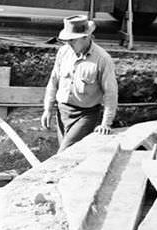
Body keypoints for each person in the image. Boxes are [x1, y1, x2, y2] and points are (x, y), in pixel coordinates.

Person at [41, 15, 118, 152]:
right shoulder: (63, 52)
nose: (68, 44)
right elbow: (53, 82)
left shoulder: (103, 59)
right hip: (62, 112)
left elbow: (110, 93)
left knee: (64, 153)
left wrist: (105, 123)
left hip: (85, 115)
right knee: (69, 154)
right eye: (66, 40)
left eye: (72, 40)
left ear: (86, 37)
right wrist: (47, 109)